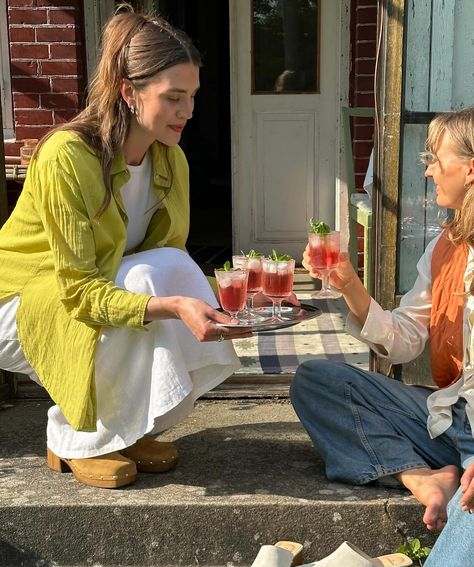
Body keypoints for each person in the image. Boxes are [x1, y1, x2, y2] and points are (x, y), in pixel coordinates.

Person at [0, 5, 252, 489]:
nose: (189, 112)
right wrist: (174, 305)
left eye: (193, 96)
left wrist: (224, 309)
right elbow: (79, 292)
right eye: (174, 97)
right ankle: (75, 437)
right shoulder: (67, 157)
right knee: (147, 289)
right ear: (128, 93)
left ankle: (125, 427)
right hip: (21, 304)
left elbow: (166, 262)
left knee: (168, 271)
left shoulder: (169, 159)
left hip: (79, 294)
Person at [290, 107, 474, 538]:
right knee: (317, 381)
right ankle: (421, 477)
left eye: (434, 159)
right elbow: (406, 340)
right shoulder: (444, 247)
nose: (428, 172)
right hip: (450, 418)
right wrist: (349, 282)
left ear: (470, 169)